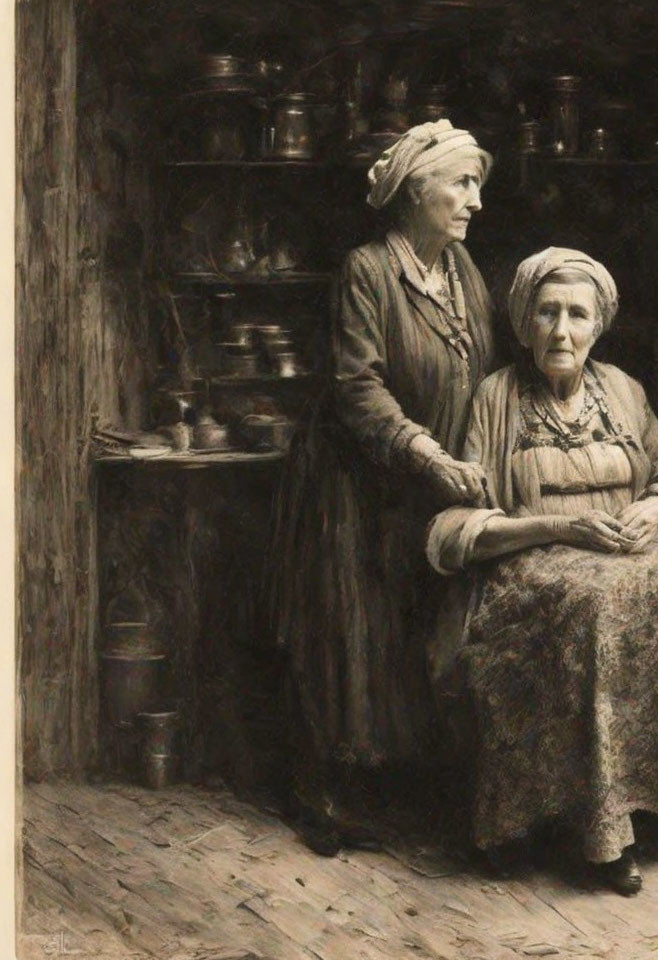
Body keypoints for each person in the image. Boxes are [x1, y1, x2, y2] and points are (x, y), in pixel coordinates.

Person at [425, 248, 658, 895]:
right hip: (534, 562)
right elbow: (467, 523)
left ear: (598, 325)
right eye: (547, 313)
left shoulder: (623, 390)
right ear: (525, 324)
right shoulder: (496, 398)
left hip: (627, 547)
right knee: (598, 607)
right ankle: (606, 832)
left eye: (577, 314)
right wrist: (559, 527)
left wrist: (655, 504)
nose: (561, 330)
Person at [269, 120, 498, 855]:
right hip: (354, 481)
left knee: (412, 631)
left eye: (478, 186)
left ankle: (401, 793)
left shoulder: (463, 273)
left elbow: (484, 375)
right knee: (349, 631)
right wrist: (428, 454)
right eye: (462, 184)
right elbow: (356, 388)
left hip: (426, 485)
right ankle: (322, 796)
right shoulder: (368, 270)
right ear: (414, 190)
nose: (474, 202)